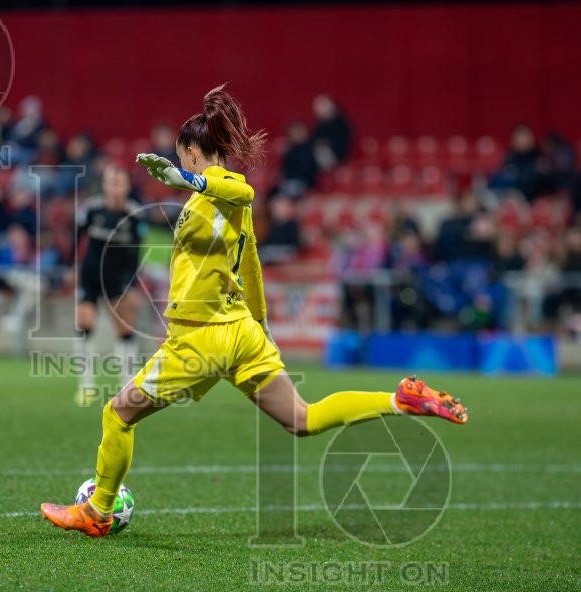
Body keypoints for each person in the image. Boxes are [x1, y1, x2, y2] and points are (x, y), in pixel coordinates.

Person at [40, 85, 468, 537]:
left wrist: (189, 181)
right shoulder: (214, 202)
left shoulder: (219, 192)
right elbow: (252, 266)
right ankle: (398, 399)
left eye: (182, 155)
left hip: (202, 336)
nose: (180, 163)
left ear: (191, 151)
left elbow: (238, 188)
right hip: (240, 331)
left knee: (117, 414)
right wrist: (261, 325)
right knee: (302, 419)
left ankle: (98, 510)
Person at [74, 164, 146, 404]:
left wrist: (133, 285)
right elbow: (76, 240)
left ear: (126, 186)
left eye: (119, 182)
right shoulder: (91, 210)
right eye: (110, 182)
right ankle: (86, 387)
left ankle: (129, 385)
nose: (114, 187)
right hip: (90, 275)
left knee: (124, 329)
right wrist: (69, 268)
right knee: (84, 321)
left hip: (118, 278)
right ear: (104, 185)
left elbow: (136, 253)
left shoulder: (135, 215)